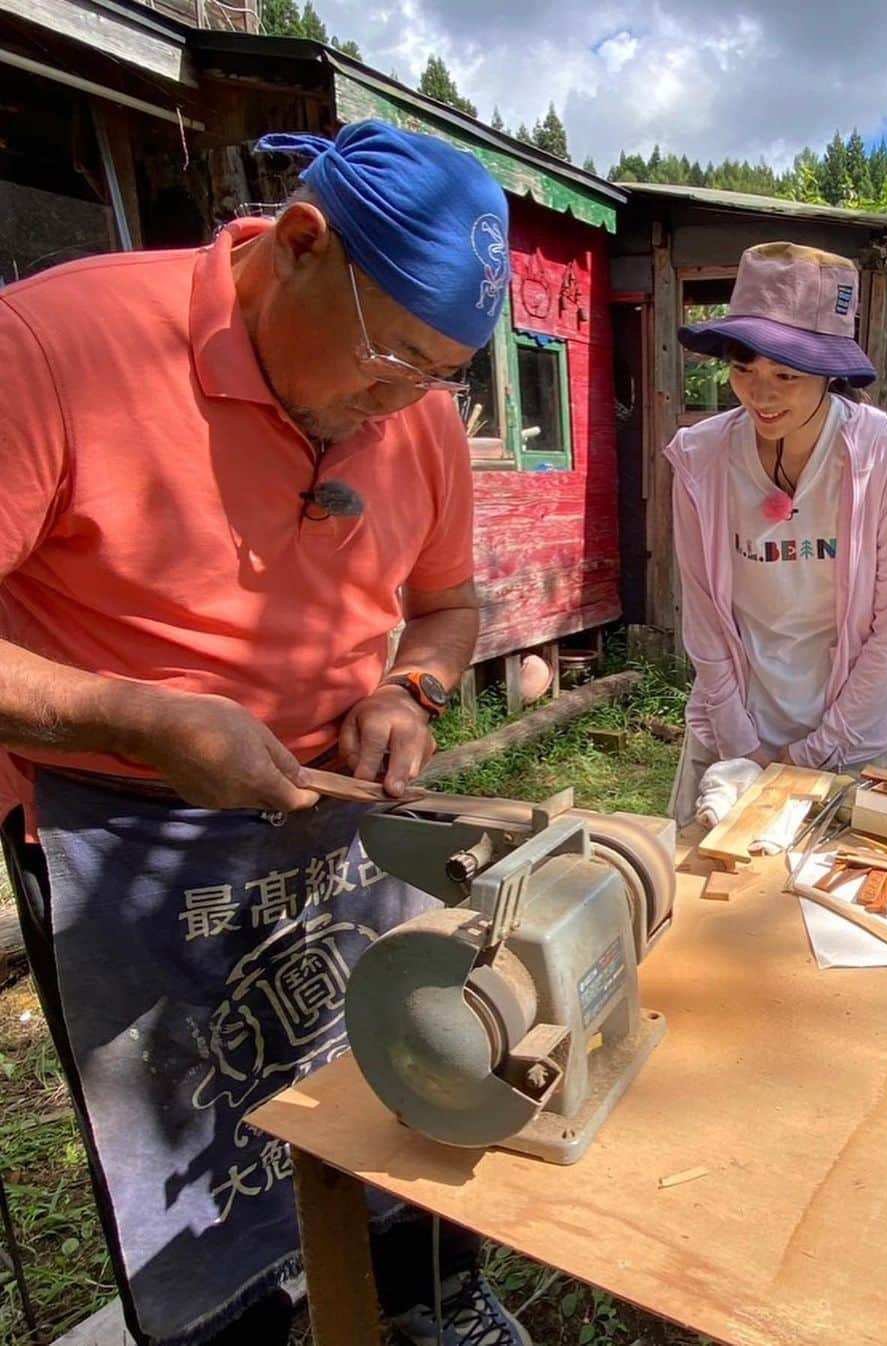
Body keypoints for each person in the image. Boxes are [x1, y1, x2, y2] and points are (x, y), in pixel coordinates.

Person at [0, 120, 530, 1346]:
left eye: (439, 377)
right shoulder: (56, 344)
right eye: (393, 359)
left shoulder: (418, 420)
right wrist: (134, 715)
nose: (404, 403)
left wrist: (412, 691)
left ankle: (428, 1300)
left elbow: (448, 606)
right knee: (190, 1126)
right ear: (301, 244)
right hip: (119, 824)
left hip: (336, 810)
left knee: (403, 1056)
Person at [667, 242, 887, 827]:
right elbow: (705, 614)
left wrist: (807, 757)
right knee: (706, 899)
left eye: (786, 374)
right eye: (742, 369)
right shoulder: (699, 457)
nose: (760, 395)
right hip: (731, 728)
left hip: (850, 739)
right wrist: (744, 749)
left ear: (829, 372)